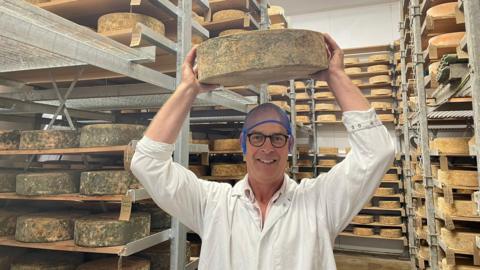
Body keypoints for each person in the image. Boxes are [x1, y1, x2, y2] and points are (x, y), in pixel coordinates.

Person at [131, 33, 395, 269]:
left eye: (277, 138)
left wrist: (336, 77)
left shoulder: (319, 202)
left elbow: (378, 152)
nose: (267, 148)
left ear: (290, 146)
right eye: (257, 138)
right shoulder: (212, 204)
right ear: (244, 146)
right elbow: (146, 163)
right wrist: (188, 89)